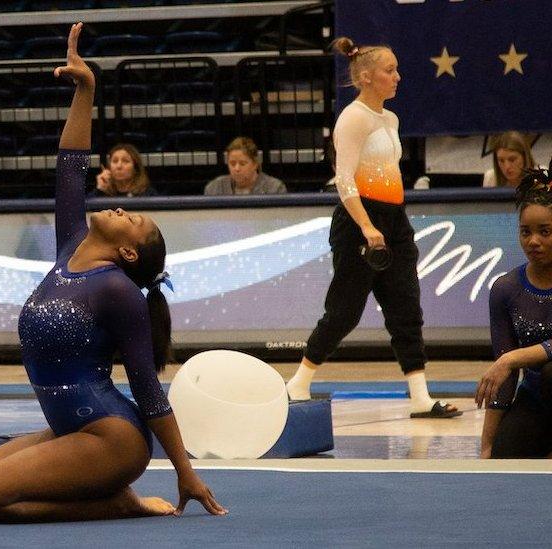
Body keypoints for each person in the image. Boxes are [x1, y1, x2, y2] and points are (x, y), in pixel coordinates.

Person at [0, 23, 225, 523]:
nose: (123, 211)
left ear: (127, 253)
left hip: (112, 440)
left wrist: (184, 472)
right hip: (71, 433)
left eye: (133, 222)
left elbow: (147, 389)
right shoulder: (70, 250)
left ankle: (116, 502)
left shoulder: (119, 292)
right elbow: (70, 169)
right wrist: (86, 89)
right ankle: (107, 497)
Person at [284, 37, 461, 419]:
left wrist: (388, 224)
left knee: (406, 308)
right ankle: (298, 382)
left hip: (394, 220)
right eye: (389, 70)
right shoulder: (353, 117)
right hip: (358, 223)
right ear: (366, 76)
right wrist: (366, 226)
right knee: (344, 311)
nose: (397, 76)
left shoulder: (390, 119)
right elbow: (344, 178)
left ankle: (419, 397)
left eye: (396, 69)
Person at [477, 169, 552, 458]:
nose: (533, 241)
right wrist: (487, 446)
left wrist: (512, 358)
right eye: (526, 232)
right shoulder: (505, 289)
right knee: (503, 457)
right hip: (536, 401)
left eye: (545, 232)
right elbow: (504, 378)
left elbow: (508, 361)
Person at [203, 137, 286, 195]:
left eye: (242, 163)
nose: (237, 168)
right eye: (232, 163)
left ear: (255, 164)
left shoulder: (274, 189)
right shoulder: (214, 188)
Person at [90, 143, 158, 197]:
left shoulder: (148, 194)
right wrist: (99, 189)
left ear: (135, 168)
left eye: (125, 161)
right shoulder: (102, 193)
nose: (119, 166)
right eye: (115, 161)